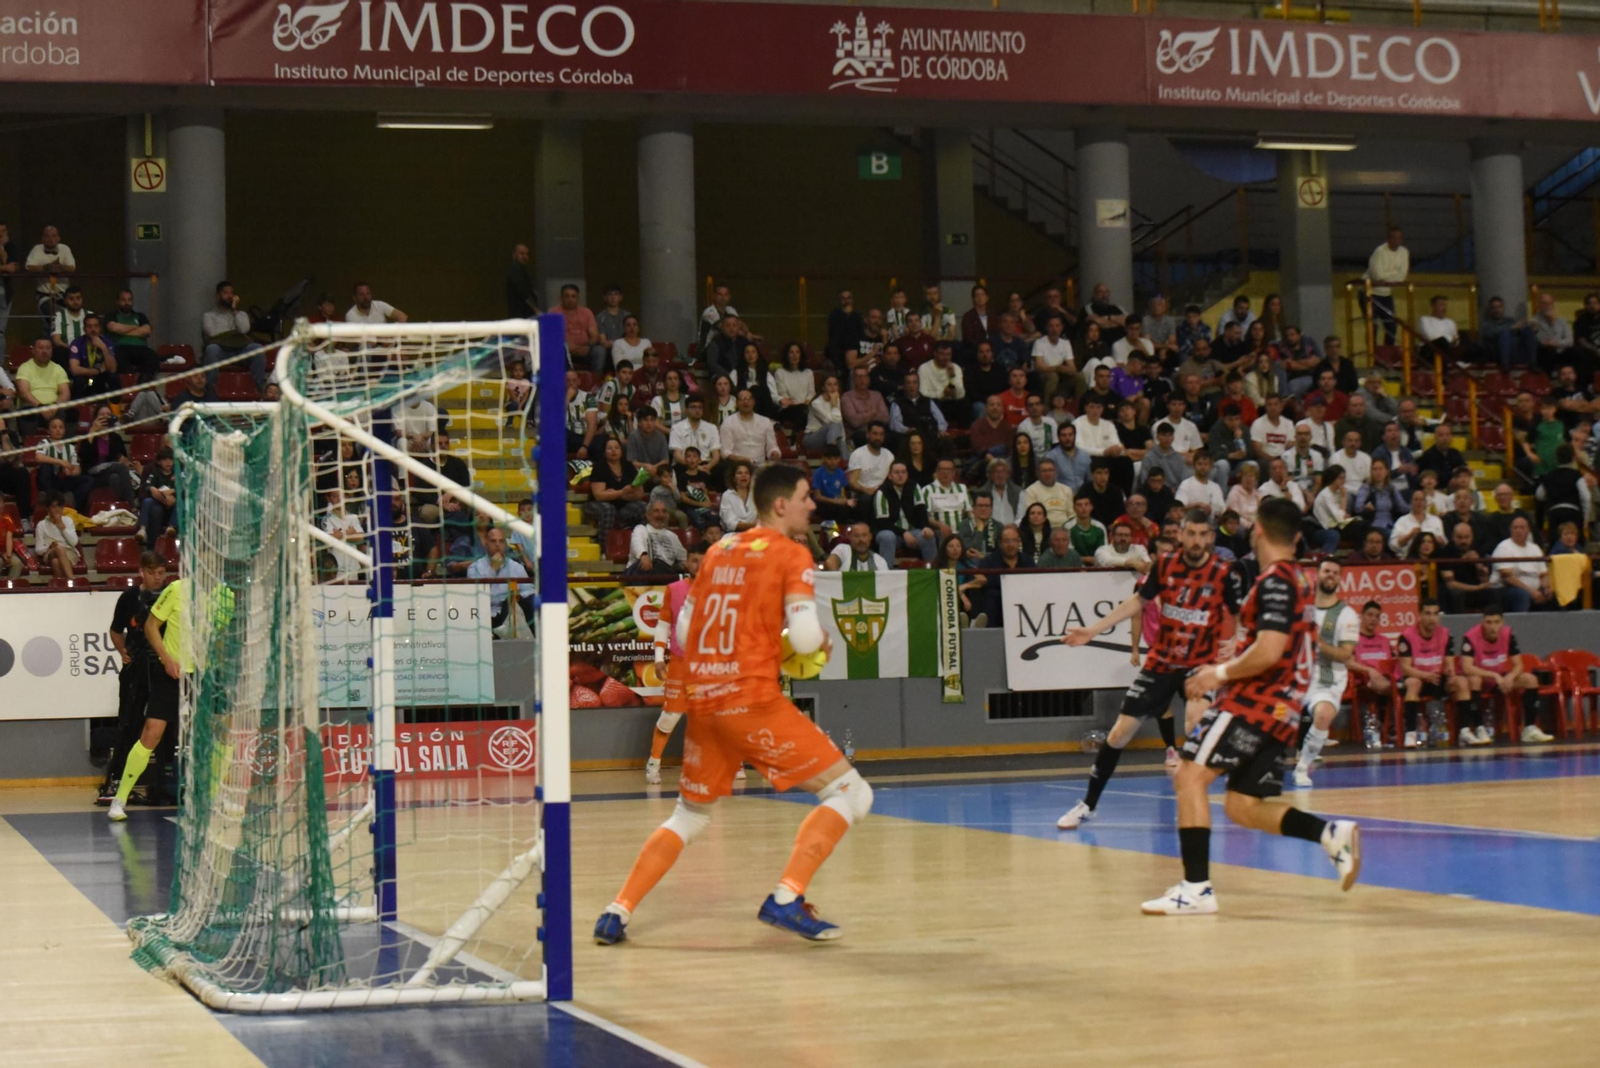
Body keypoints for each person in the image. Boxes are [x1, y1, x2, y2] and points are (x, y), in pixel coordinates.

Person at [594, 464, 869, 944]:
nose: (813, 505)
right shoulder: (792, 552)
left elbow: (683, 632)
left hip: (704, 702)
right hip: (752, 699)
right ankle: (786, 898)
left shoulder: (719, 549)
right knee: (852, 794)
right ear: (780, 505)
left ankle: (617, 910)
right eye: (806, 497)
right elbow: (804, 640)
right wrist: (816, 642)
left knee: (689, 816)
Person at [1144, 497, 1361, 915]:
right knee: (1243, 807)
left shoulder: (1277, 580)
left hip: (1255, 706)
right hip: (1281, 712)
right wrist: (1230, 656)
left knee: (1189, 776)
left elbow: (1270, 650)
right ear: (1297, 537)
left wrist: (1218, 674)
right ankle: (1330, 834)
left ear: (1256, 530)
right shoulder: (1296, 579)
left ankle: (1196, 888)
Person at [1058, 509, 1247, 829]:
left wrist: (1238, 642)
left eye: (1204, 535)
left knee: (1195, 722)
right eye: (1192, 534)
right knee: (1119, 734)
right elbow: (1137, 602)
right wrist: (1092, 630)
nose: (1197, 541)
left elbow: (1240, 612)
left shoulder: (1222, 573)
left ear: (1211, 537)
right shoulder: (1165, 566)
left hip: (1198, 666)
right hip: (1160, 664)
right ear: (1181, 535)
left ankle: (1207, 789)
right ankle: (1088, 805)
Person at [642, 549, 728, 784]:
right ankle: (654, 763)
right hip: (680, 663)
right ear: (686, 562)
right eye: (694, 560)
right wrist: (659, 658)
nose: (699, 565)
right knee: (670, 716)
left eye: (703, 561)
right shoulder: (674, 590)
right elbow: (662, 626)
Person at [97, 551, 168, 804]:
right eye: (152, 573)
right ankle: (116, 780)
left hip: (163, 667)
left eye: (161, 573)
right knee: (129, 721)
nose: (157, 578)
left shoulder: (170, 594)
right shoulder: (128, 598)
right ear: (141, 572)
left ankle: (165, 781)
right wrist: (123, 652)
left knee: (163, 725)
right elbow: (116, 630)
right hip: (136, 668)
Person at [1290, 559, 1360, 788]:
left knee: (1324, 714)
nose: (1330, 575)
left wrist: (1317, 641)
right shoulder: (1300, 606)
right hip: (1294, 677)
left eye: (1335, 573)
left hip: (1326, 680)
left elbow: (1345, 655)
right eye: (1326, 571)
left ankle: (1302, 767)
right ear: (1317, 575)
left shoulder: (1346, 614)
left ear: (1340, 579)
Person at [1459, 608, 1553, 744]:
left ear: (1502, 622)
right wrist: (1494, 675)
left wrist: (1510, 677)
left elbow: (1518, 665)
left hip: (1500, 679)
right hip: (1481, 678)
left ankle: (1529, 729)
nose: (1493, 627)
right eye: (1488, 622)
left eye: (1496, 622)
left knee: (1530, 680)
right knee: (1474, 680)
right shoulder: (1470, 636)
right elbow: (1466, 668)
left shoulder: (1508, 634)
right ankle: (1480, 729)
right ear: (1482, 622)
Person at [1396, 599, 1471, 748]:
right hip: (1415, 678)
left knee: (1461, 682)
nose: (1432, 618)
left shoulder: (1446, 634)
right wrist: (1425, 676)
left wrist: (1449, 671)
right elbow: (1405, 668)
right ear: (1420, 616)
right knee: (1414, 683)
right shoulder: (1407, 636)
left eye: (1436, 614)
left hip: (1436, 678)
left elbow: (1449, 663)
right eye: (1428, 614)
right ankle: (1410, 734)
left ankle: (1465, 731)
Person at [468, 526, 536, 631]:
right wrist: (492, 569)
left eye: (501, 541)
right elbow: (475, 596)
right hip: (485, 616)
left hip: (512, 614)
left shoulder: (516, 567)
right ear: (485, 542)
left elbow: (529, 591)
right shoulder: (475, 568)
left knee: (524, 601)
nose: (497, 545)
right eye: (493, 541)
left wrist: (518, 595)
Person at [873, 461, 936, 564]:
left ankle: (934, 572)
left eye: (903, 472)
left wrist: (925, 527)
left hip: (913, 531)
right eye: (896, 472)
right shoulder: (882, 492)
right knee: (887, 537)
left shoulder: (914, 486)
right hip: (891, 532)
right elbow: (882, 522)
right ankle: (886, 575)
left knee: (927, 536)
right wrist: (903, 533)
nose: (900, 475)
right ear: (889, 476)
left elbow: (921, 510)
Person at [1490, 515, 1553, 612]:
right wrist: (1531, 591)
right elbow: (1508, 577)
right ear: (1510, 530)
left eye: (1522, 528)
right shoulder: (1504, 547)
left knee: (1553, 596)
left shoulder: (1535, 548)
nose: (1518, 530)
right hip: (1507, 589)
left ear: (1528, 530)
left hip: (1534, 590)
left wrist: (1546, 588)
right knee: (1522, 595)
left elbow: (1543, 574)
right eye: (1515, 528)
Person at [201, 281, 256, 388]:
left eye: (232, 293)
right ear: (218, 296)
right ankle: (210, 388)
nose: (229, 296)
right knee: (212, 349)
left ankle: (256, 388)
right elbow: (212, 334)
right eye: (225, 293)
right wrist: (234, 335)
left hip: (239, 351)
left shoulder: (241, 314)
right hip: (221, 352)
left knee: (256, 348)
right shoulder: (209, 316)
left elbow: (244, 330)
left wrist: (234, 310)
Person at [1364, 226, 1409, 345]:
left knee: (1391, 326)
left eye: (1399, 238)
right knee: (1372, 328)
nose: (1396, 240)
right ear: (1388, 239)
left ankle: (1387, 354)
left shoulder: (1404, 252)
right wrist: (1394, 274)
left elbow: (1402, 276)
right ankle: (1372, 357)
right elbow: (1377, 275)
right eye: (1393, 237)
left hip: (1386, 294)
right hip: (1369, 292)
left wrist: (1386, 276)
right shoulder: (1379, 251)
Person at [826, 521, 891, 572]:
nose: (861, 540)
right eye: (856, 536)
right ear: (850, 537)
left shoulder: (879, 560)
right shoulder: (843, 549)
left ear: (870, 537)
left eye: (864, 535)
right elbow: (829, 563)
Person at [719, 460, 758, 534]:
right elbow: (730, 524)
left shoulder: (755, 494)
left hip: (754, 532)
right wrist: (754, 525)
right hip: (733, 534)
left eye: (746, 473)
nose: (744, 475)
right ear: (734, 478)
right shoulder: (727, 495)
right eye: (739, 473)